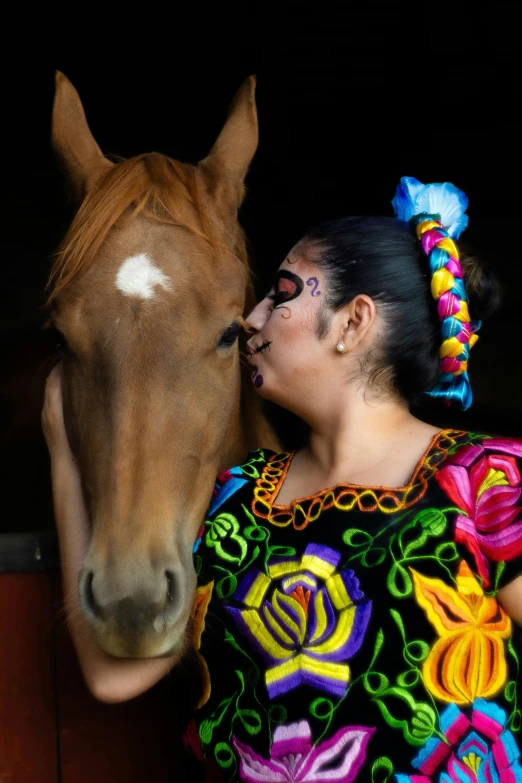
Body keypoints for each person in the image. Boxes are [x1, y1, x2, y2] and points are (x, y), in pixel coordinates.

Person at [42, 177, 522, 782]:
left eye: (281, 294)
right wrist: (63, 456)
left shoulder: (489, 480)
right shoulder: (236, 496)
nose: (250, 317)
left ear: (353, 323)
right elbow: (113, 678)